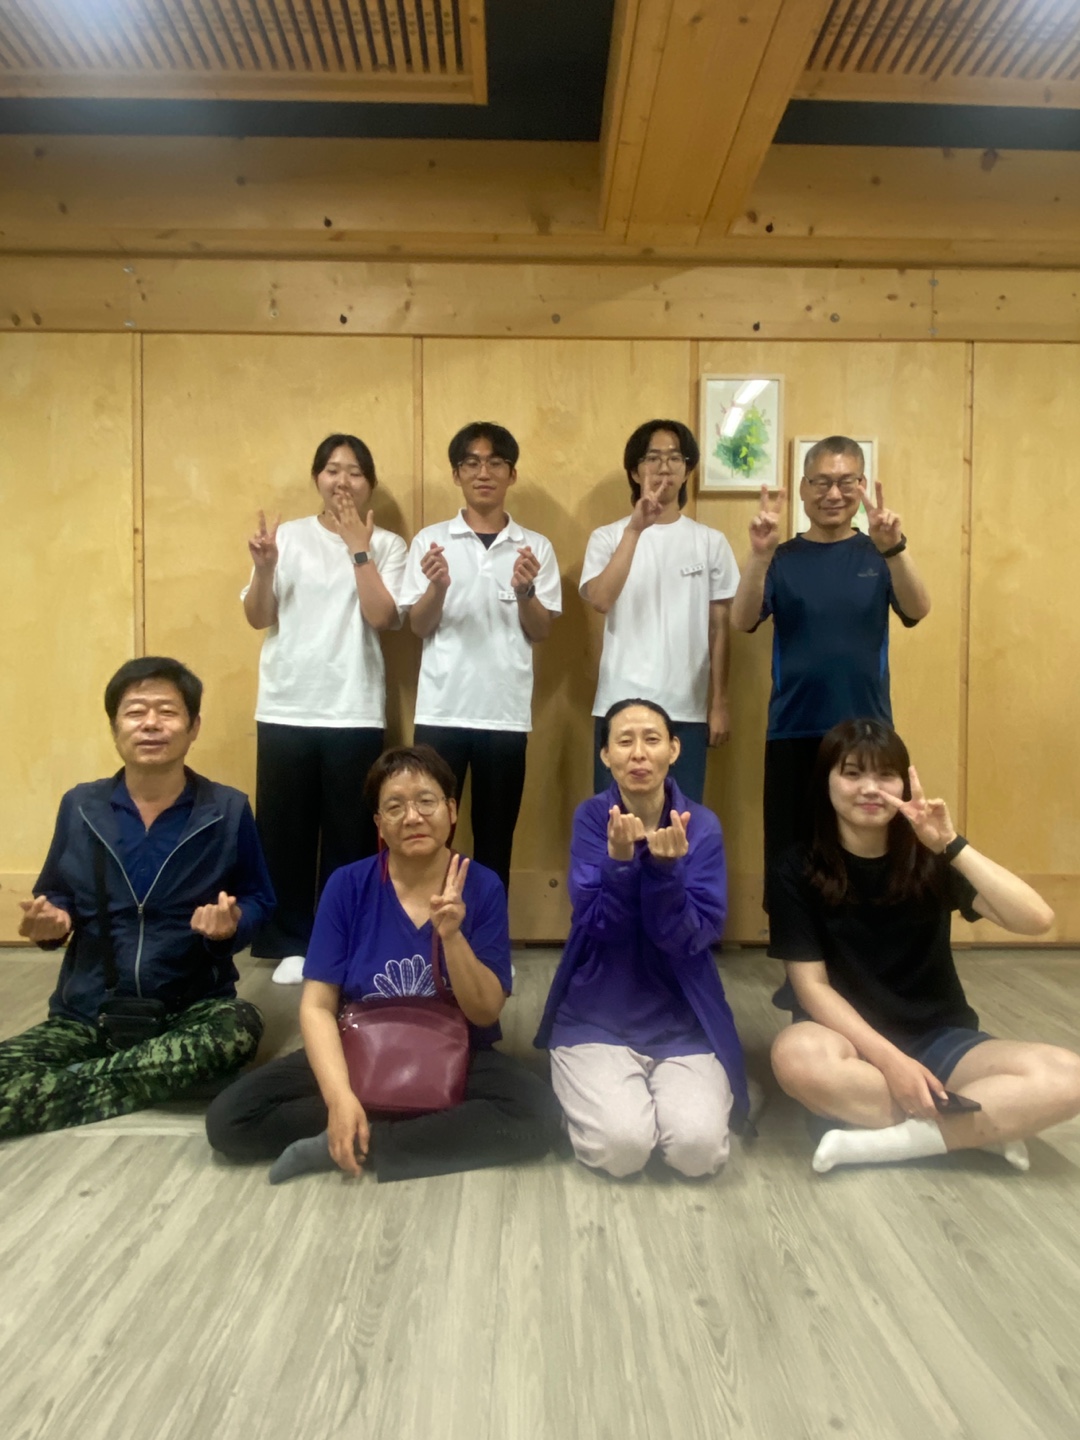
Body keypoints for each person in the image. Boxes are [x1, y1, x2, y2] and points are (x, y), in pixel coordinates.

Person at [205, 745, 562, 1183]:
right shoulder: (347, 885)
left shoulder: (482, 885)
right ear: (378, 822)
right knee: (230, 1118)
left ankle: (365, 1139)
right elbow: (317, 1006)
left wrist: (452, 936)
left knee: (537, 1114)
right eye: (394, 807)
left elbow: (485, 1012)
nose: (412, 817)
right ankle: (391, 1123)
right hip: (360, 1048)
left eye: (426, 801)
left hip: (457, 1052)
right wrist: (339, 1098)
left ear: (451, 810)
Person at [768, 718, 1080, 1174]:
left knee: (1068, 1077)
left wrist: (951, 844)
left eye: (885, 775)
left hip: (939, 1036)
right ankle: (977, 1130)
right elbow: (811, 987)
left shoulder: (929, 856)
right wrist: (892, 1062)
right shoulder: (794, 868)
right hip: (845, 1042)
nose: (870, 788)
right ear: (826, 782)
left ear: (904, 783)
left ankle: (886, 1142)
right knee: (795, 1057)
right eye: (852, 773)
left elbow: (1037, 919)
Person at [2, 657, 274, 1138]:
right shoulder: (80, 806)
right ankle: (154, 1077)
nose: (151, 723)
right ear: (115, 727)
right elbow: (56, 893)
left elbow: (259, 898)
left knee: (238, 1029)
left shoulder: (227, 809)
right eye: (135, 712)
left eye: (167, 711)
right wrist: (52, 923)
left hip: (190, 1010)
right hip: (89, 1012)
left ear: (193, 727)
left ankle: (53, 1090)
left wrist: (231, 926)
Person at [534, 699, 749, 1178]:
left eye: (652, 739)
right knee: (622, 1150)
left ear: (674, 749)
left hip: (681, 1019)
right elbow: (600, 924)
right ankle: (599, 1095)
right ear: (605, 755)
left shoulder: (702, 825)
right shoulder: (592, 818)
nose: (638, 753)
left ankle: (653, 1097)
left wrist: (666, 874)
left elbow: (694, 936)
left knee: (697, 1153)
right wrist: (619, 862)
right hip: (598, 1016)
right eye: (624, 741)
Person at [729, 436, 931, 896]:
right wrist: (759, 555)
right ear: (803, 488)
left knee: (864, 854)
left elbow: (918, 609)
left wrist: (895, 548)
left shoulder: (879, 553)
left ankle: (857, 939)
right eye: (821, 482)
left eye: (845, 482)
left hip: (867, 732)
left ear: (861, 486)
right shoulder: (781, 557)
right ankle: (793, 939)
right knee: (790, 854)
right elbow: (742, 621)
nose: (833, 494)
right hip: (793, 727)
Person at [243, 433, 407, 984]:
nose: (343, 481)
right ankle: (290, 942)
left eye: (355, 471)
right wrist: (265, 568)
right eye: (333, 469)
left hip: (353, 707)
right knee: (283, 831)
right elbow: (258, 616)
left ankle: (341, 940)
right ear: (317, 477)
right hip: (286, 704)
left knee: (350, 833)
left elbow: (384, 617)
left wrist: (359, 547)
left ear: (370, 483)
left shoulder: (388, 545)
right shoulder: (287, 537)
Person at [398, 422, 561, 894]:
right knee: (428, 836)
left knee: (495, 842)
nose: (483, 472)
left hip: (504, 717)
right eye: (471, 463)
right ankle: (426, 928)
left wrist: (526, 590)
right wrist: (437, 587)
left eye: (495, 463)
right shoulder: (432, 542)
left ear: (512, 474)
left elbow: (541, 630)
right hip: (441, 713)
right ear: (457, 474)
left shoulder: (535, 547)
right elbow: (418, 626)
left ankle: (489, 935)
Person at [580, 420, 739, 804]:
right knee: (617, 822)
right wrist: (635, 530)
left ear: (687, 469)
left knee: (682, 820)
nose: (664, 467)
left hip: (686, 709)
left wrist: (719, 703)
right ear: (635, 472)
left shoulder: (710, 542)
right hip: (620, 705)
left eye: (674, 458)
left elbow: (719, 628)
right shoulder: (608, 536)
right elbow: (600, 599)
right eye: (652, 458)